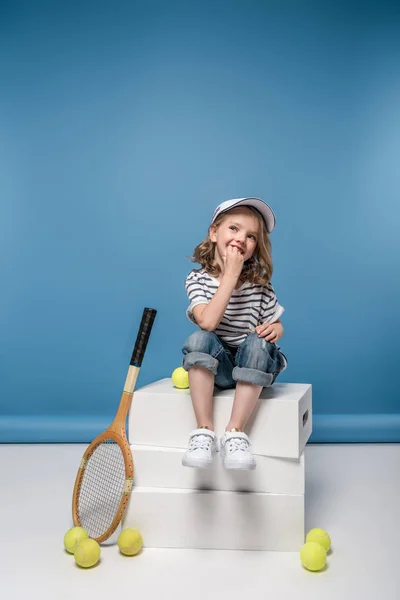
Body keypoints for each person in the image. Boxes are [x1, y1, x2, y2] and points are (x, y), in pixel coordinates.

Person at [181, 197, 287, 471]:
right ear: (214, 233)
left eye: (251, 236)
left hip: (252, 364)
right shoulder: (197, 280)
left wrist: (275, 329)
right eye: (234, 229)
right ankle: (203, 431)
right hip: (220, 368)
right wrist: (230, 275)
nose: (241, 238)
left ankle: (235, 433)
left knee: (258, 342)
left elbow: (276, 323)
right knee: (198, 340)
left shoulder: (259, 285)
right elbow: (207, 322)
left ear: (255, 247)